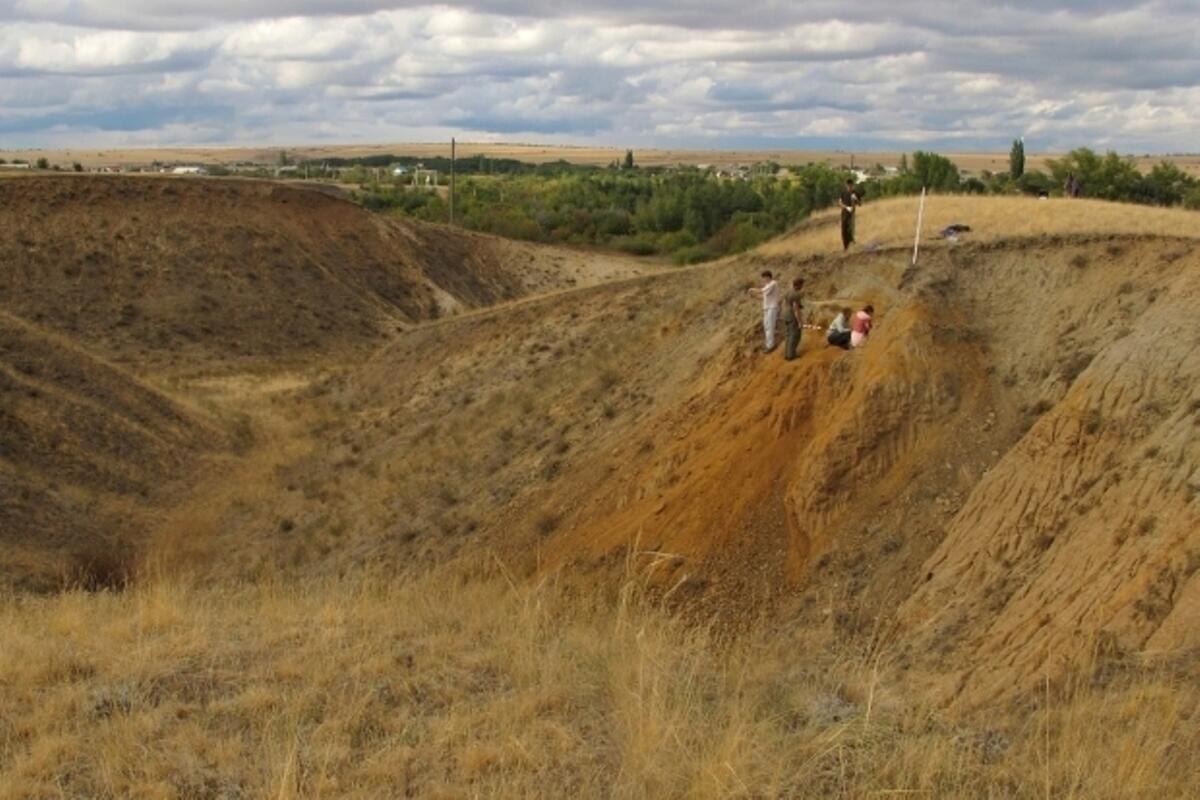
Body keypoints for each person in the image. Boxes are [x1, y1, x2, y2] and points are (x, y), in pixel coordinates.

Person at [748, 270, 781, 352]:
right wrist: (754, 296)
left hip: (772, 308)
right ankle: (769, 344)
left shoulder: (773, 283)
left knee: (770, 326)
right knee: (766, 326)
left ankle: (770, 346)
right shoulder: (767, 286)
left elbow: (762, 290)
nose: (764, 279)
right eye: (763, 278)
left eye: (764, 277)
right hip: (766, 308)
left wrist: (752, 289)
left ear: (768, 276)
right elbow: (763, 297)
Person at [782, 278, 805, 360]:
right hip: (791, 316)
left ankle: (787, 353)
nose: (802, 287)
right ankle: (791, 355)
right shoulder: (796, 294)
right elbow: (795, 309)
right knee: (795, 335)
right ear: (799, 285)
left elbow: (787, 302)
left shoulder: (788, 291)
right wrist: (799, 321)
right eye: (802, 285)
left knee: (788, 334)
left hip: (784, 314)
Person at [839, 178, 860, 251]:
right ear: (846, 185)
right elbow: (840, 203)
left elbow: (859, 204)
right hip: (844, 214)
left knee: (850, 231)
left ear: (852, 185)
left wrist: (855, 199)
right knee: (843, 231)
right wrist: (846, 207)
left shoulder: (855, 193)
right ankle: (845, 248)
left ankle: (852, 246)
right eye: (848, 185)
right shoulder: (843, 193)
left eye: (851, 185)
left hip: (851, 215)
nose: (849, 186)